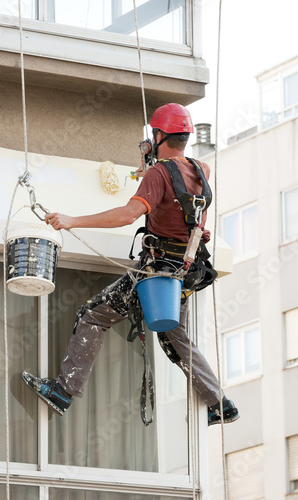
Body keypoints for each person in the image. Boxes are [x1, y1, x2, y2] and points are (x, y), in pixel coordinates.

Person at [21, 103, 239, 426]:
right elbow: (182, 208)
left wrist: (72, 220)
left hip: (155, 273)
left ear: (160, 135)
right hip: (184, 273)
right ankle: (220, 403)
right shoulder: (202, 172)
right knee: (173, 336)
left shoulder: (159, 174)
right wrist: (150, 171)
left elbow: (128, 214)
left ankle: (62, 391)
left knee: (93, 314)